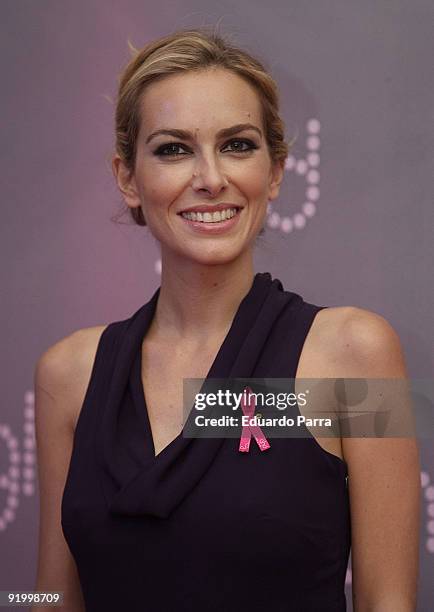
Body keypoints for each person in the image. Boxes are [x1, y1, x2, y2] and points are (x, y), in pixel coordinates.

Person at [32, 26, 421, 612]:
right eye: (173, 148)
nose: (211, 177)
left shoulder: (356, 352)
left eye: (238, 144)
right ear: (127, 178)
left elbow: (387, 601)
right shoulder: (68, 375)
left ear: (277, 171)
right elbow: (47, 598)